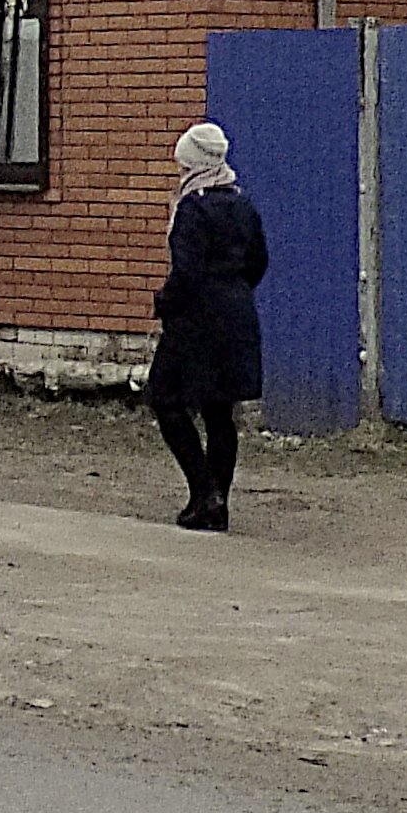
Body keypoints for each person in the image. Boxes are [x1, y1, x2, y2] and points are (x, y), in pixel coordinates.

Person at [146, 119, 267, 531]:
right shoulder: (243, 204)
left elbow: (186, 272)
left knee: (164, 396)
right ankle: (217, 504)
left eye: (183, 166)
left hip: (194, 322)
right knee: (219, 412)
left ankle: (204, 491)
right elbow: (258, 262)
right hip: (237, 317)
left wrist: (164, 303)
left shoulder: (192, 209)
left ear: (194, 164)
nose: (180, 174)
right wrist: (233, 292)